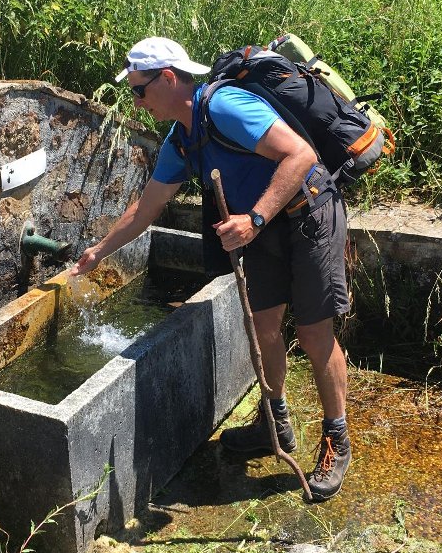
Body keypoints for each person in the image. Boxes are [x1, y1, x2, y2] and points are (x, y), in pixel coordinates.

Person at [71, 37, 353, 501]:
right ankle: (273, 422)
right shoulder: (182, 139)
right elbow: (147, 208)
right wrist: (99, 251)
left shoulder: (226, 106)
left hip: (307, 214)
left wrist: (255, 218)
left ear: (167, 78)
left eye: (139, 90)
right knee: (263, 328)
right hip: (259, 227)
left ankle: (335, 440)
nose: (136, 101)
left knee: (313, 333)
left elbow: (300, 155)